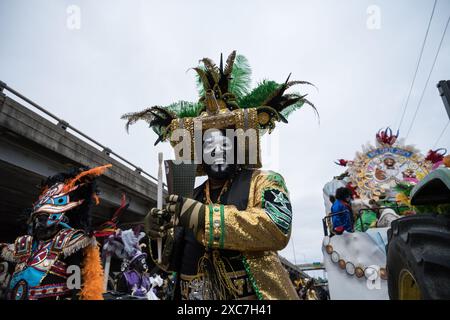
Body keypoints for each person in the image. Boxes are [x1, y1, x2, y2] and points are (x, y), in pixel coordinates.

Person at [122, 51, 316, 300]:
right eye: (209, 148)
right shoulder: (189, 193)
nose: (217, 152)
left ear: (237, 148)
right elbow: (168, 262)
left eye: (225, 146)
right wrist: (156, 234)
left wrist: (202, 216)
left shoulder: (264, 181)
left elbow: (276, 227)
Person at [0, 165, 110, 300]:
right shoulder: (23, 243)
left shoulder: (71, 241)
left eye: (44, 218)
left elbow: (75, 289)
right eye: (38, 218)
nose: (40, 223)